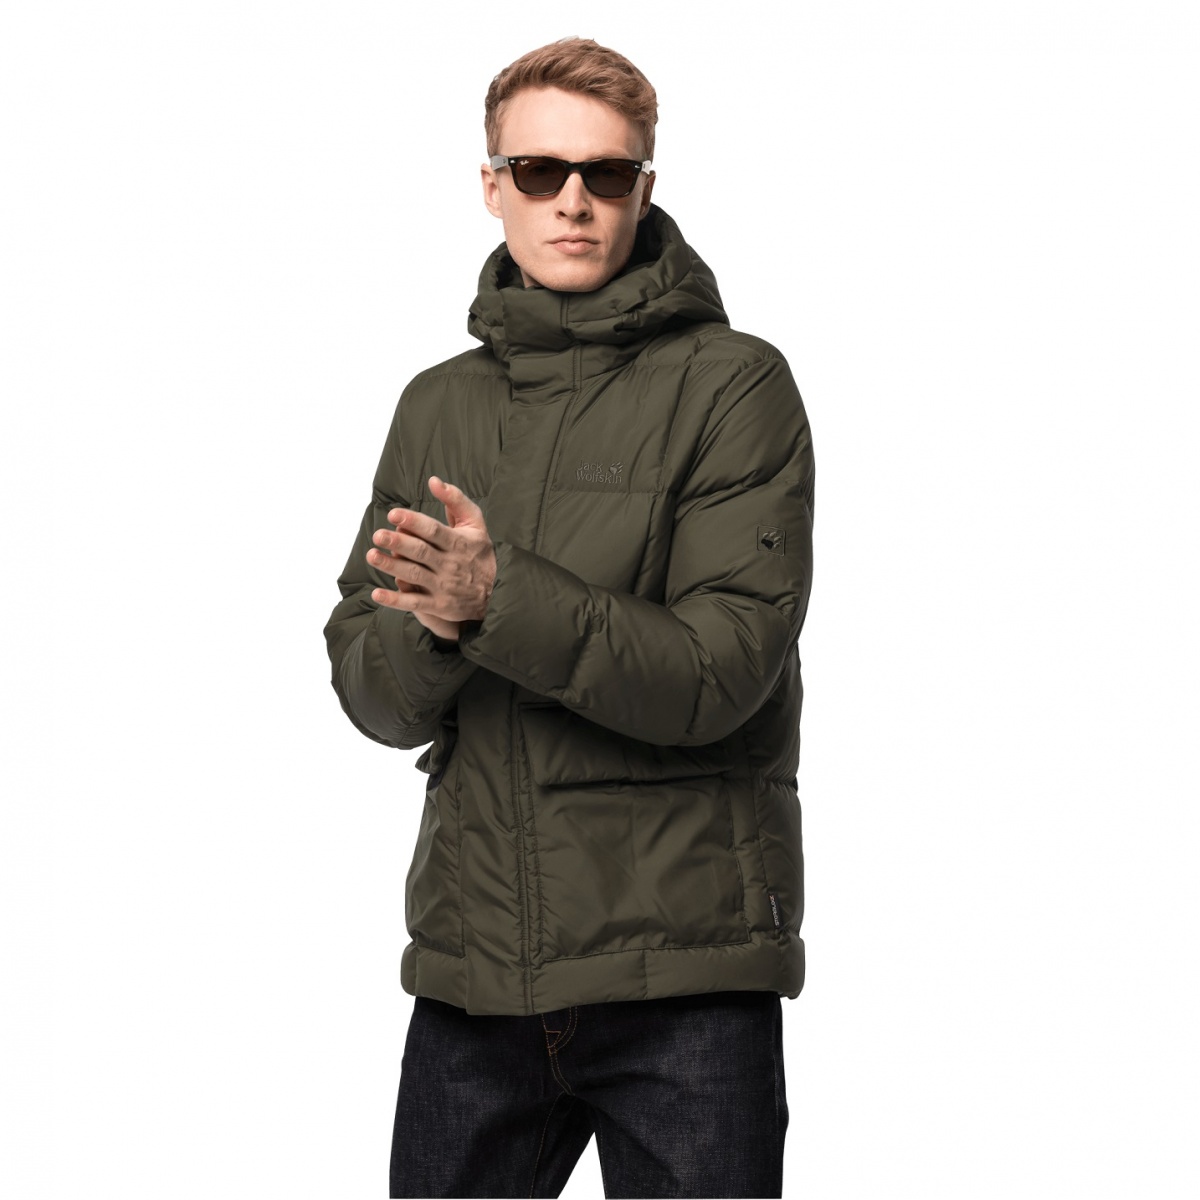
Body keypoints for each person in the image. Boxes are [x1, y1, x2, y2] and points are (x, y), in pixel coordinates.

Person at [323, 36, 815, 1200]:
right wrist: (439, 627)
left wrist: (494, 600)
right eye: (540, 172)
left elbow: (721, 670)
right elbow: (371, 689)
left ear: (645, 187)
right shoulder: (437, 404)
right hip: (474, 977)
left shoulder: (736, 385)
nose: (574, 200)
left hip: (684, 983)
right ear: (492, 185)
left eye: (607, 173)